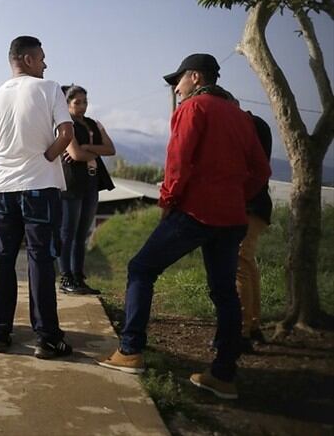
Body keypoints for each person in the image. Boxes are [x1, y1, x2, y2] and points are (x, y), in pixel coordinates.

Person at [98, 53, 271, 401]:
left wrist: (167, 202)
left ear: (194, 77)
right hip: (233, 216)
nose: (176, 89)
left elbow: (177, 163)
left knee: (141, 268)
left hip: (195, 212)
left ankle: (130, 351)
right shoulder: (241, 117)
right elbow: (261, 172)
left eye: (178, 81)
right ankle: (223, 374)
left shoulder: (193, 109)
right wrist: (235, 195)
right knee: (224, 292)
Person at [0, 35, 75, 359]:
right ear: (27, 59)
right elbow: (66, 134)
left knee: (2, 260)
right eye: (41, 57)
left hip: (1, 189)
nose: (45, 64)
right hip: (39, 187)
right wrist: (48, 157)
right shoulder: (50, 88)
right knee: (41, 260)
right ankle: (47, 339)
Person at [58, 84, 116, 295]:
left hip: (91, 183)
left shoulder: (92, 124)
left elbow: (111, 149)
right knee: (68, 232)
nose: (82, 106)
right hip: (71, 184)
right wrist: (86, 151)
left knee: (82, 233)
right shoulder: (65, 125)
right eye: (77, 102)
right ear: (66, 104)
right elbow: (75, 155)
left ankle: (78, 276)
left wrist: (87, 147)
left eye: (85, 102)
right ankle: (66, 277)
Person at [236, 111, 273, 352]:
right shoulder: (258, 124)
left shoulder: (247, 126)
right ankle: (254, 324)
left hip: (249, 206)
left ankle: (240, 332)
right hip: (259, 205)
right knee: (248, 264)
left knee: (238, 265)